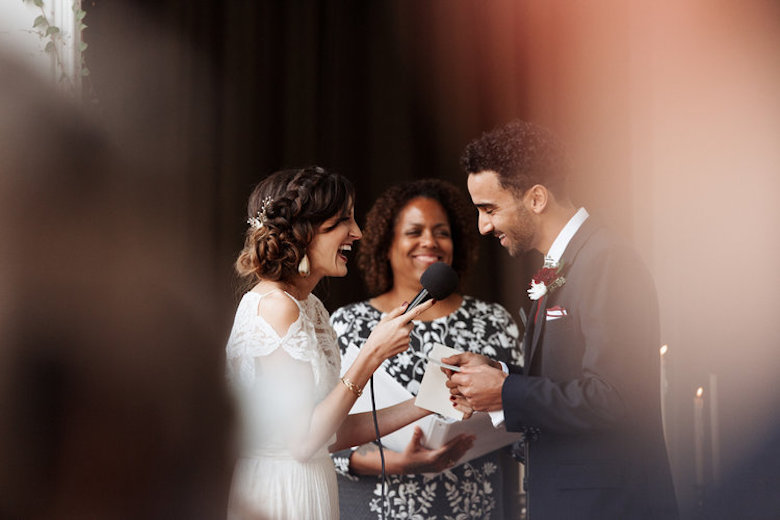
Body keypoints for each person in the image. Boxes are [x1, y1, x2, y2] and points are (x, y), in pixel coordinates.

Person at [444, 120, 678, 519]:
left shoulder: (607, 259)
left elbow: (614, 396)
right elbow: (573, 376)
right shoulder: (565, 261)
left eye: (489, 209)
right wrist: (497, 374)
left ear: (536, 198)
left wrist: (506, 391)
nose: (483, 226)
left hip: (607, 506)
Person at [225, 166, 439, 520]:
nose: (357, 232)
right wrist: (372, 353)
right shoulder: (276, 308)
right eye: (344, 220)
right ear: (303, 231)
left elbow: (330, 432)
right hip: (281, 493)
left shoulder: (309, 307)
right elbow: (303, 442)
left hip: (312, 484)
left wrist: (430, 400)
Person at [329, 179, 523, 519]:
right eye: (414, 232)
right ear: (386, 244)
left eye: (442, 232)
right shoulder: (348, 324)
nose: (430, 241)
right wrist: (398, 463)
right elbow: (317, 433)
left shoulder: (493, 321)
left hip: (478, 506)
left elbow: (526, 411)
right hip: (378, 507)